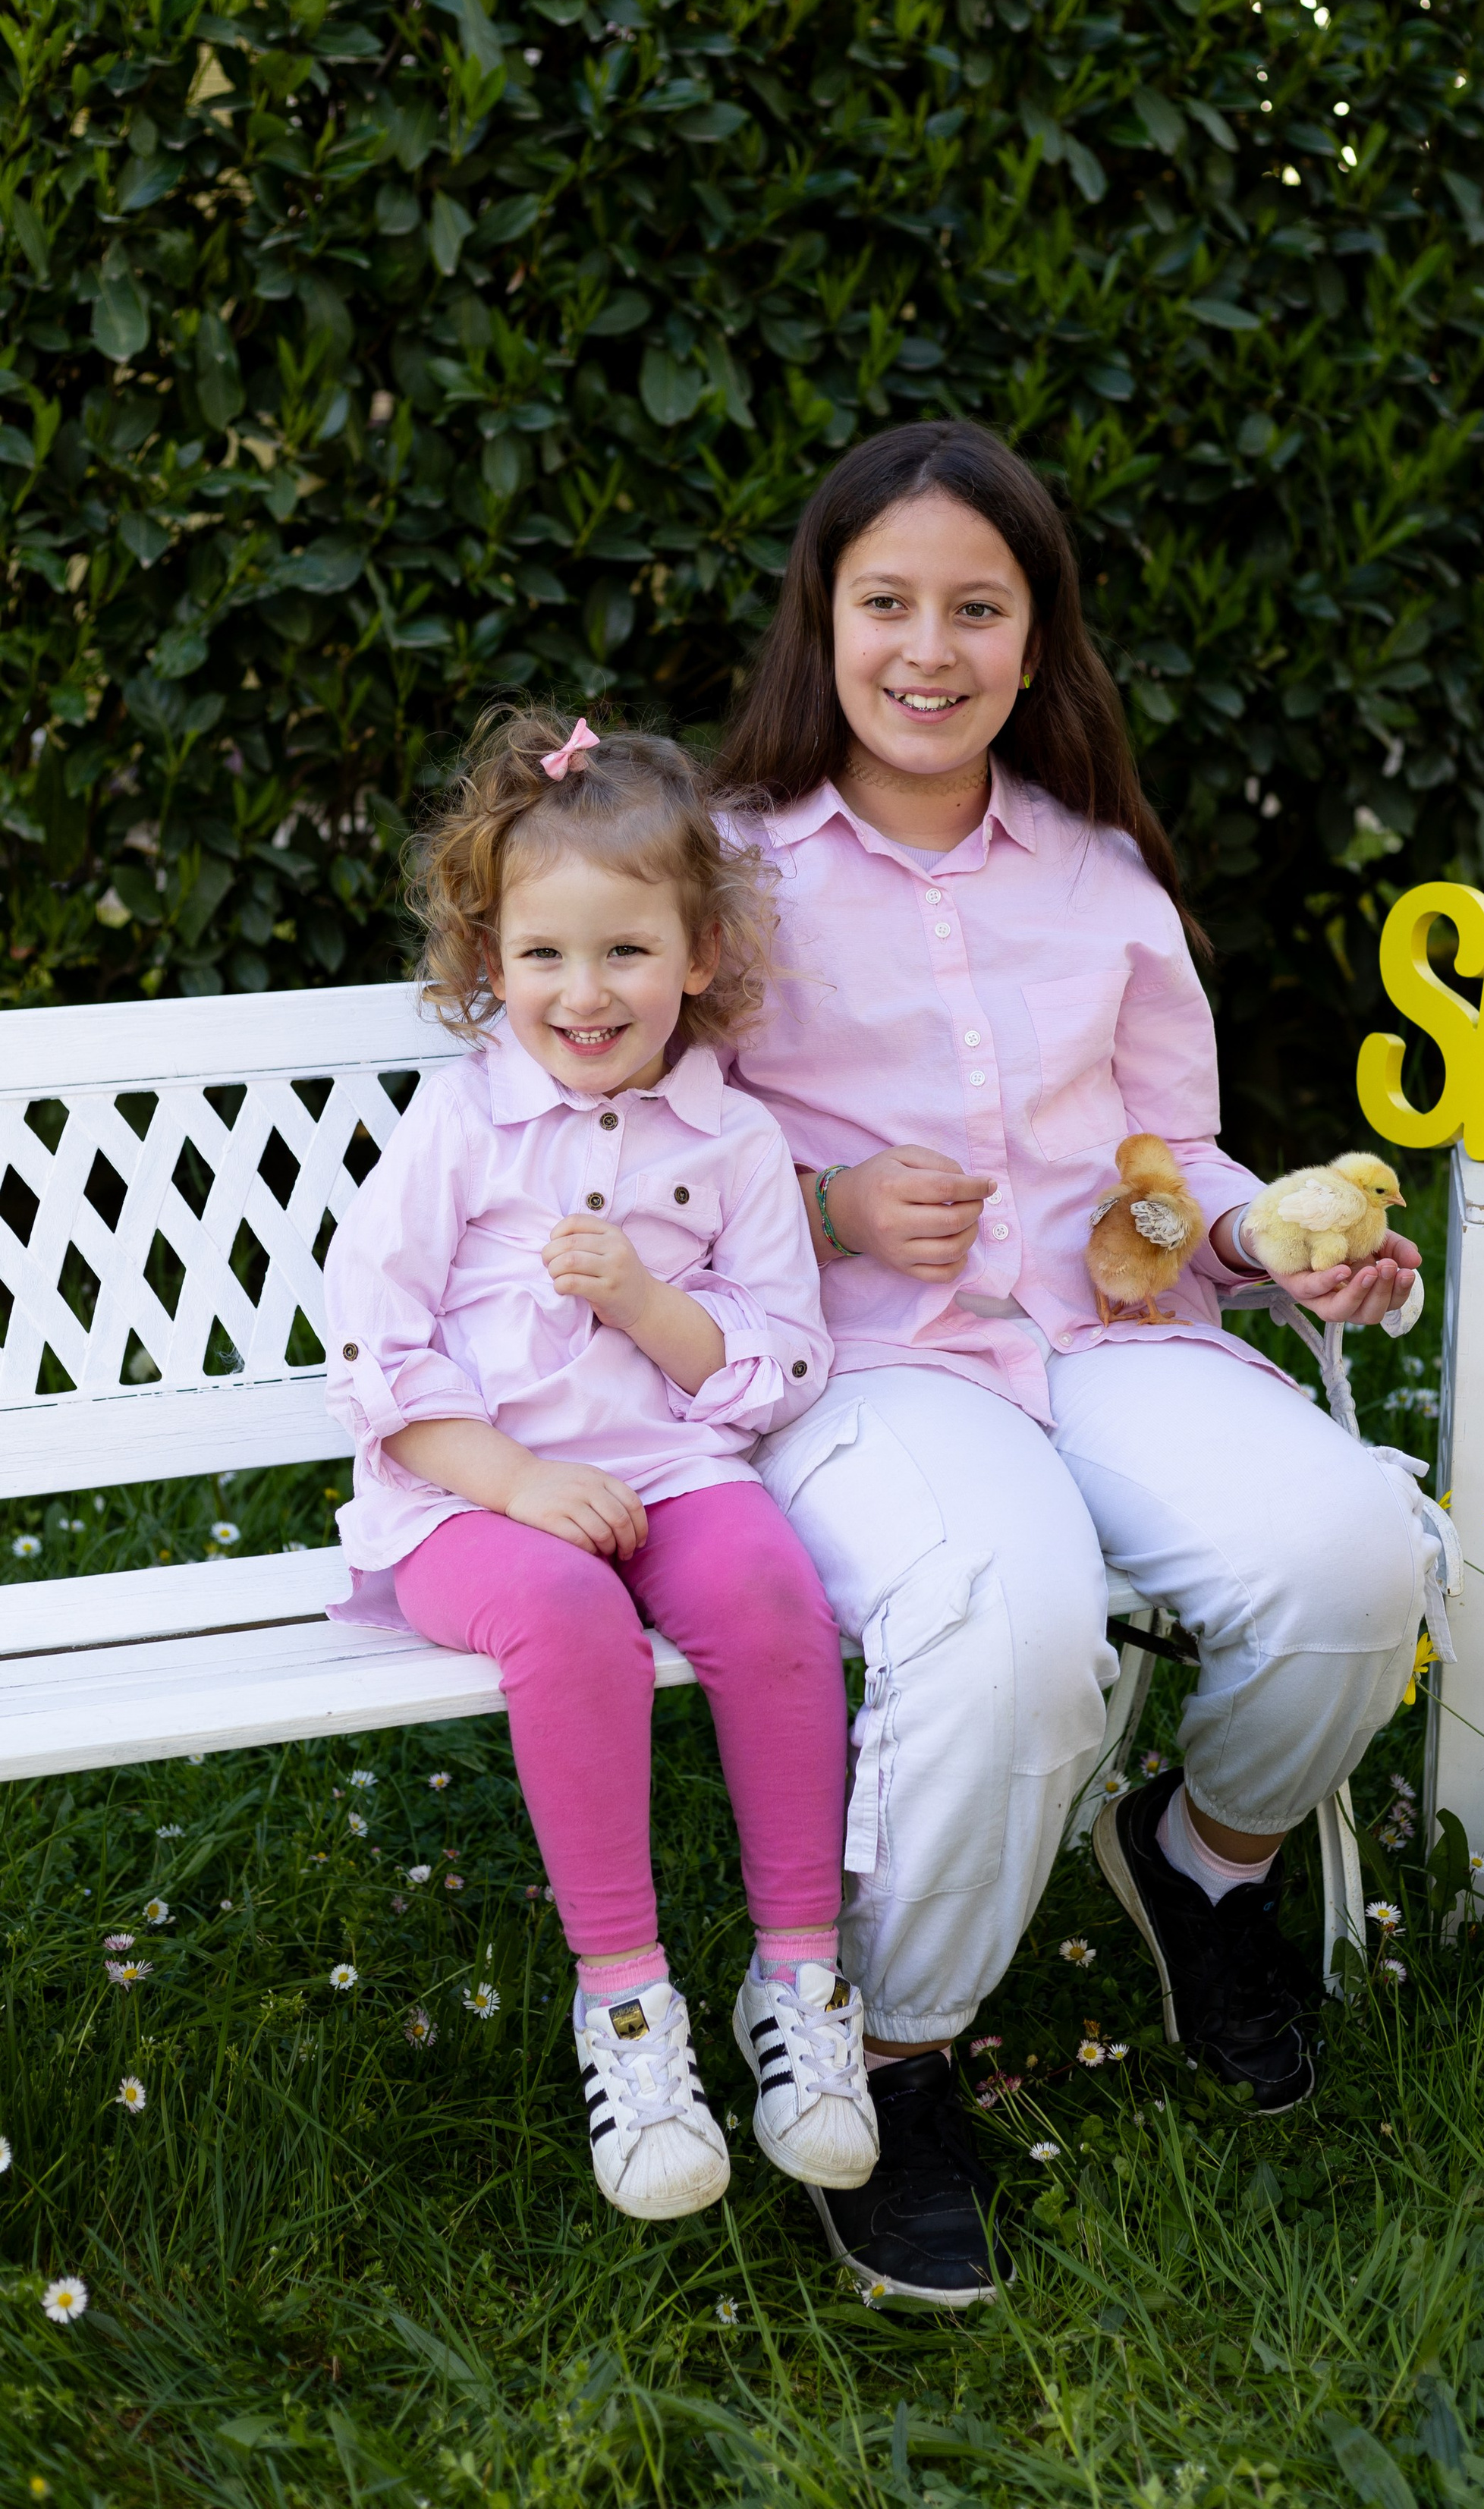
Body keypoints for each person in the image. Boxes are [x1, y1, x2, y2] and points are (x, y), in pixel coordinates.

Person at [715, 423, 1427, 2306]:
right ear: (823, 620)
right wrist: (829, 1204)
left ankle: (1201, 1861)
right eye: (887, 604)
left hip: (1107, 1333)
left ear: (1037, 645)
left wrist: (1269, 1242)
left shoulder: (1101, 873)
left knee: (1355, 1553)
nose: (927, 650)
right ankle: (893, 2052)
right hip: (867, 1363)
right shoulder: (724, 878)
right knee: (1011, 1616)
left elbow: (1169, 1155)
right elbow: (628, 1165)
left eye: (977, 607)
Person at [323, 709, 875, 2223]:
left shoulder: (734, 1141)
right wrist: (509, 1484)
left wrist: (642, 1300)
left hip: (671, 1472)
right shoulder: (461, 1127)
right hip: (466, 1502)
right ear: (489, 960)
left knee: (771, 1586)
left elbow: (785, 1352)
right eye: (544, 955)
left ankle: (799, 1982)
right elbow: (371, 1345)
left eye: (626, 953)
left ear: (698, 954)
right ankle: (627, 2008)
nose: (584, 993)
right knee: (565, 1618)